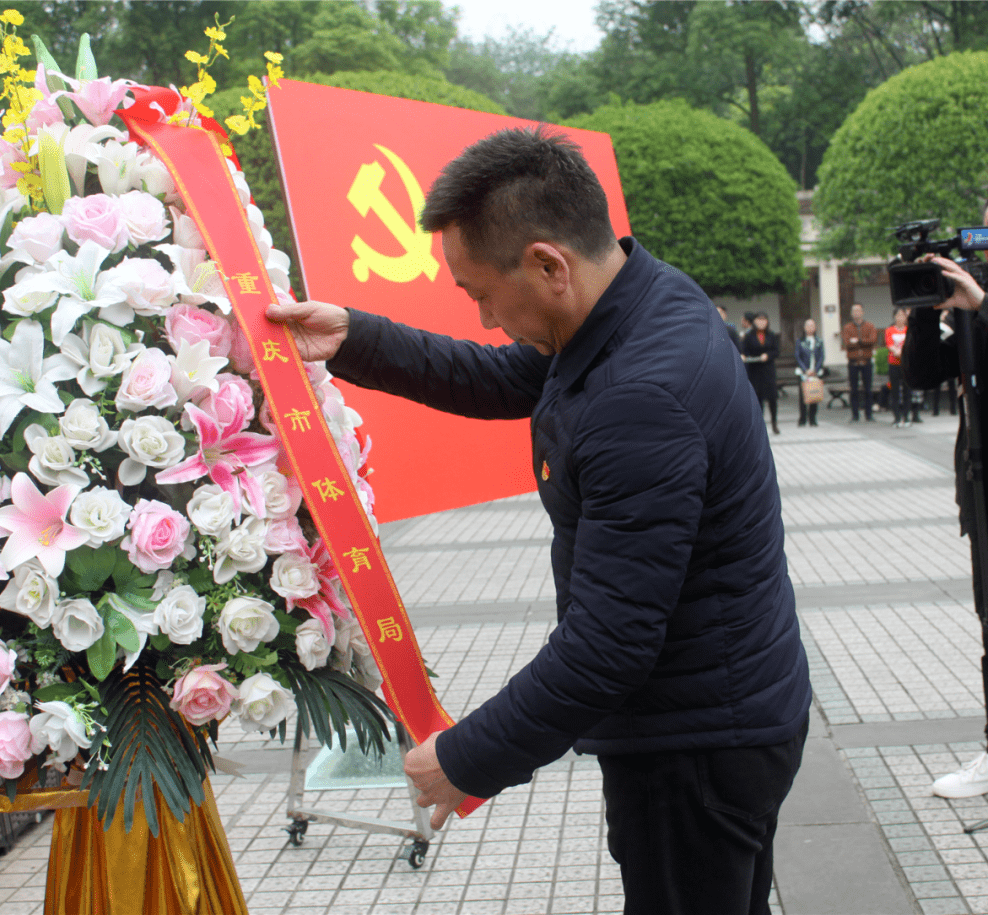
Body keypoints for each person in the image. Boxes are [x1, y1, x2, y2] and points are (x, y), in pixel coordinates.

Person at [266, 127, 811, 915]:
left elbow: (608, 646)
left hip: (697, 745)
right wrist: (356, 337)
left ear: (550, 263)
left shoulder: (640, 398)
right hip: (726, 704)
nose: (486, 317)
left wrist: (466, 757)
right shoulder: (635, 301)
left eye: (481, 293)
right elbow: (497, 376)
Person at [905, 251, 988, 798]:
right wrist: (921, 309)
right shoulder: (969, 300)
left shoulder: (980, 302)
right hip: (980, 484)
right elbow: (921, 373)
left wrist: (982, 307)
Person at [741, 311, 781, 434]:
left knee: (772, 398)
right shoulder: (749, 336)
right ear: (754, 322)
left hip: (768, 370)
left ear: (767, 322)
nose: (761, 322)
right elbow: (744, 350)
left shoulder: (771, 335)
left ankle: (774, 423)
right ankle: (760, 426)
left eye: (764, 320)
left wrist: (767, 355)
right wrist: (743, 356)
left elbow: (776, 351)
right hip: (755, 371)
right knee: (758, 400)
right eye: (759, 320)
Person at [841, 303, 878, 422]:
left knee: (868, 389)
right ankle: (855, 415)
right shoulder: (847, 327)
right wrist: (861, 343)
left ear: (862, 312)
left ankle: (869, 414)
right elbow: (847, 343)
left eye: (859, 310)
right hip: (853, 363)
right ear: (851, 313)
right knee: (854, 390)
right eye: (854, 311)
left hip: (867, 362)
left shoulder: (870, 326)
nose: (857, 313)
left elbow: (872, 341)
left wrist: (858, 341)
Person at [795, 318, 826, 427]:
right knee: (803, 395)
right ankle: (802, 418)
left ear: (815, 327)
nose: (810, 328)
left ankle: (813, 418)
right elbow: (798, 357)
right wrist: (805, 370)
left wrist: (816, 370)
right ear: (804, 328)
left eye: (812, 325)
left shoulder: (819, 341)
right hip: (804, 373)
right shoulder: (800, 341)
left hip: (815, 372)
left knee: (814, 394)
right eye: (808, 325)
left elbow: (822, 356)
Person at [885, 307, 912, 426]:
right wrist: (898, 352)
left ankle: (906, 416)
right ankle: (897, 417)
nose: (901, 318)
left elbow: (911, 344)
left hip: (906, 364)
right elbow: (889, 344)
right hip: (894, 363)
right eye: (898, 315)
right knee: (895, 391)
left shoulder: (908, 330)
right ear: (894, 317)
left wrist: (903, 353)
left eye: (903, 315)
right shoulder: (889, 330)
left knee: (907, 391)